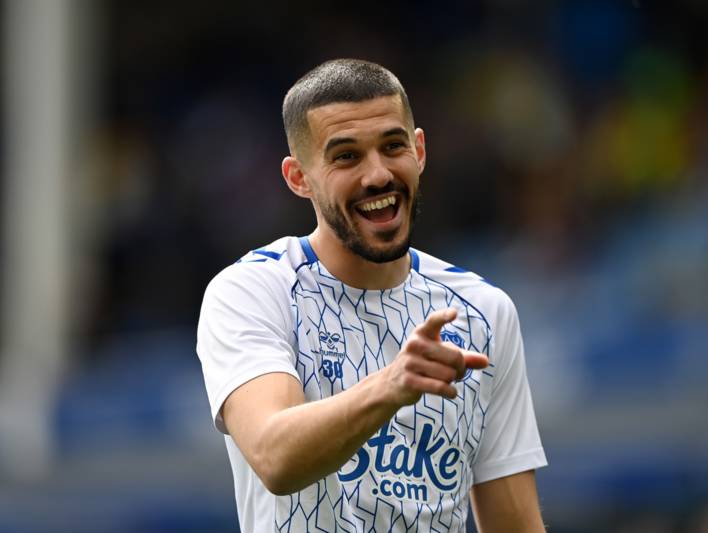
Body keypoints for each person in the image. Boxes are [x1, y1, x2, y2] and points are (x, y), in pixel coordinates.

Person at [196, 58, 547, 532]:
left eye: (392, 146)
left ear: (419, 151)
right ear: (299, 178)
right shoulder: (253, 292)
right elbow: (274, 456)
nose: (378, 174)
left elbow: (514, 524)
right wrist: (391, 385)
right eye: (346, 156)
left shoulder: (484, 312)